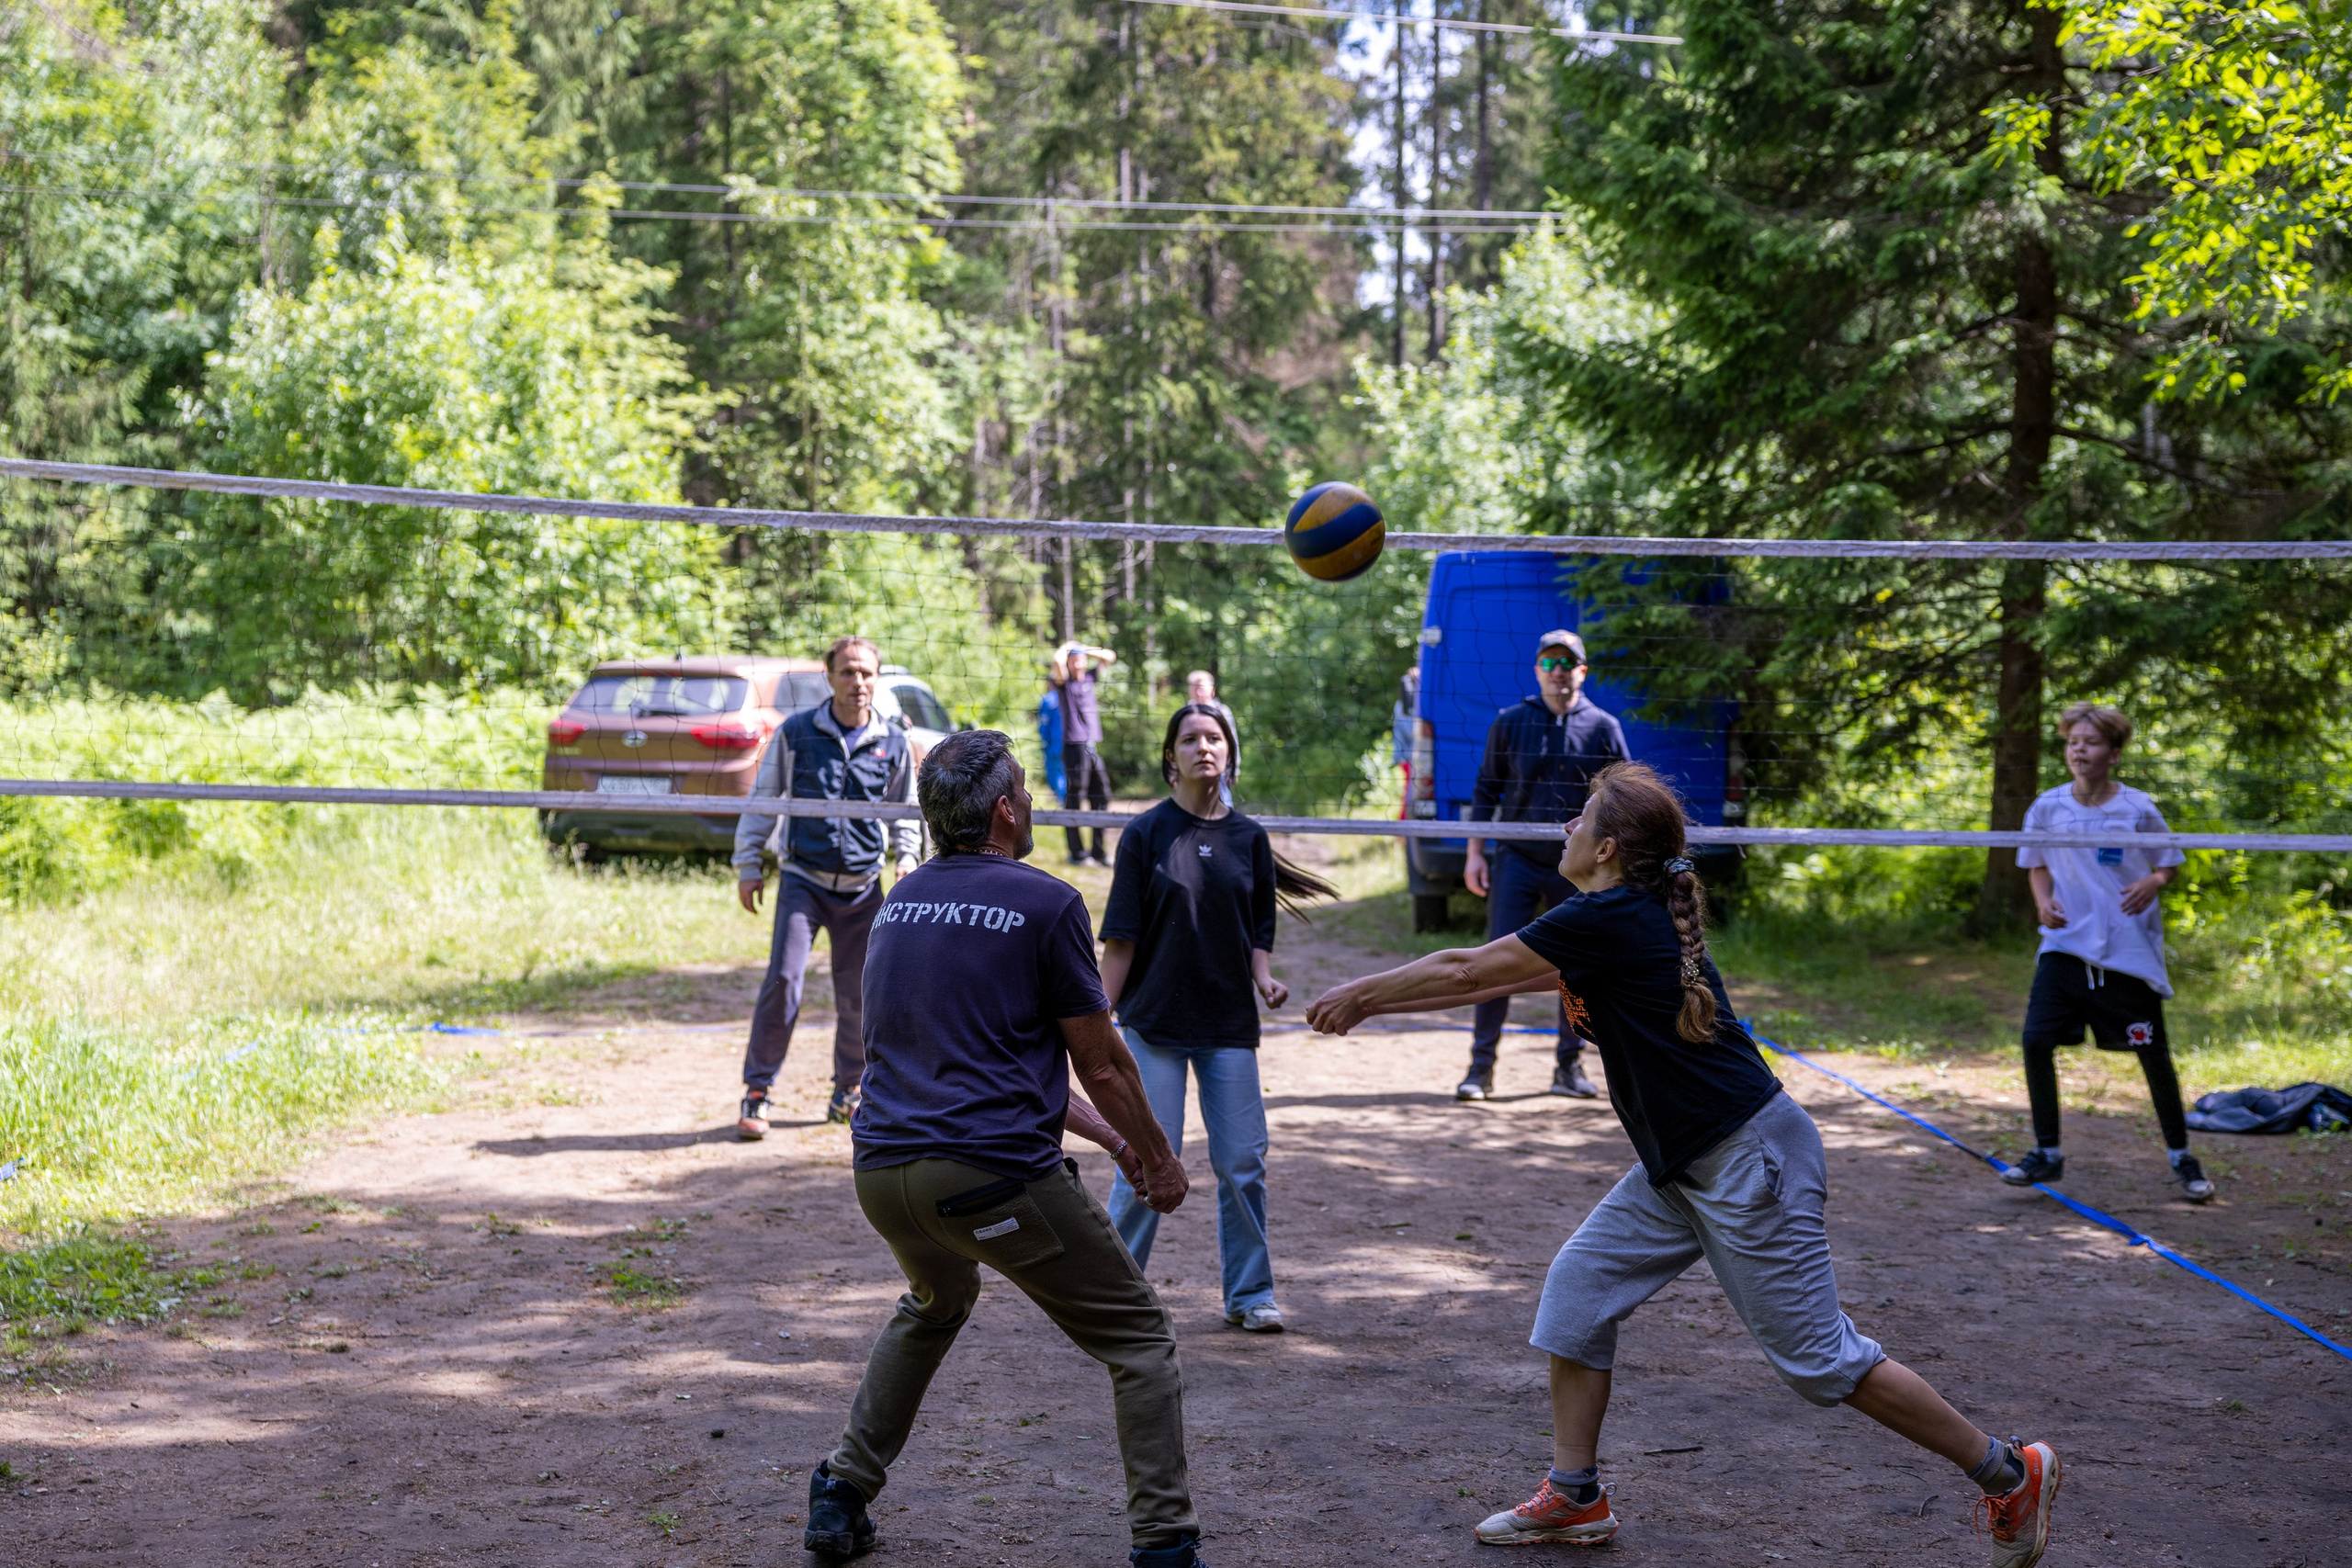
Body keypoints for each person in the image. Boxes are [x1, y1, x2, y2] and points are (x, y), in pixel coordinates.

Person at [1305, 762, 2061, 1566]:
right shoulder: (1603, 917)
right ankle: (1575, 1495)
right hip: (1687, 1163)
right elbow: (1485, 977)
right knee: (1577, 1295)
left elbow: (1468, 966)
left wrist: (1364, 993)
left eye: (1577, 820)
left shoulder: (1610, 918)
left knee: (1819, 1363)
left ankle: (2008, 1470)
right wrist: (1374, 1003)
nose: (1562, 830)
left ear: (1604, 848)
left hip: (1747, 1155)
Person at [802, 728, 1211, 1568]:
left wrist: (1109, 1144)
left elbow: (981, 1060)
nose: (1027, 800)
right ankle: (1166, 1546)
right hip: (991, 1181)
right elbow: (1099, 1059)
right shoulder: (1049, 902)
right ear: (1005, 809)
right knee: (1138, 1340)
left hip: (883, 1175)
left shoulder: (898, 904)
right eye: (1023, 788)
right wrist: (1158, 1158)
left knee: (935, 1300)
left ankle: (840, 1492)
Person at [1100, 703, 1335, 1335]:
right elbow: (1120, 938)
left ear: (1230, 752)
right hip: (1153, 1023)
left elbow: (1258, 928)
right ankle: (1113, 1294)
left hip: (1228, 1025)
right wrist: (1096, 1017)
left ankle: (1250, 1292)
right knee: (1151, 1158)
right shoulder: (1146, 833)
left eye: (1215, 737)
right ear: (1169, 757)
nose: (1204, 746)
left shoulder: (1251, 839)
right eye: (1190, 738)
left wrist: (1264, 977)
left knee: (1243, 1162)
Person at [2004, 703, 2211, 1201]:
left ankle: (2182, 1156)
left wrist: (2152, 881)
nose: (2079, 749)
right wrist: (2042, 902)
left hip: (2126, 951)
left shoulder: (2138, 808)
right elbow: (2035, 864)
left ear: (2114, 754)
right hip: (2065, 946)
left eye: (2091, 742)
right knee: (2035, 1040)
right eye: (2073, 741)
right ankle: (2047, 1152)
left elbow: (2169, 864)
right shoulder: (2047, 807)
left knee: (2152, 1054)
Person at [731, 636, 919, 1134]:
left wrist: (907, 861)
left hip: (864, 887)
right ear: (829, 675)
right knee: (784, 982)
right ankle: (757, 1091)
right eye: (848, 672)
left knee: (860, 995)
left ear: (877, 680)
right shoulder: (797, 733)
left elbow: (905, 813)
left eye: (866, 673)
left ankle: (849, 1091)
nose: (858, 682)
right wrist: (748, 864)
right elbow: (764, 799)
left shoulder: (895, 740)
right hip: (803, 881)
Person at [1460, 629, 1626, 1102]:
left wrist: (1620, 868)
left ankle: (1567, 1068)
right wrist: (1475, 854)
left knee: (1577, 969)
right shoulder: (1511, 721)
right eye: (1549, 664)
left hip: (1577, 869)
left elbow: (1625, 800)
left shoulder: (1603, 726)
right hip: (1515, 860)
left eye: (1567, 664)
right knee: (1493, 963)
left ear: (1582, 671)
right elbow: (1485, 792)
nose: (1558, 672)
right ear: (1537, 670)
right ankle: (1480, 1068)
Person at [1057, 639, 1119, 866]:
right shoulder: (1063, 682)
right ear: (1069, 662)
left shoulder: (1091, 677)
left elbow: (1109, 656)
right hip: (1074, 748)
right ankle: (1077, 853)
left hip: (1092, 746)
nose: (1077, 663)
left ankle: (1099, 853)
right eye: (1073, 660)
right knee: (1074, 798)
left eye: (1080, 659)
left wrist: (1083, 648)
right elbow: (1057, 660)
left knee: (1101, 795)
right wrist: (1068, 646)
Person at [1037, 667, 1069, 801]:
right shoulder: (1067, 697)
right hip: (1069, 743)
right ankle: (1067, 798)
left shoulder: (1047, 700)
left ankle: (1061, 800)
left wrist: (1044, 740)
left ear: (1049, 683)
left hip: (1052, 744)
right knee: (1066, 772)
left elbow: (1043, 724)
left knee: (1054, 772)